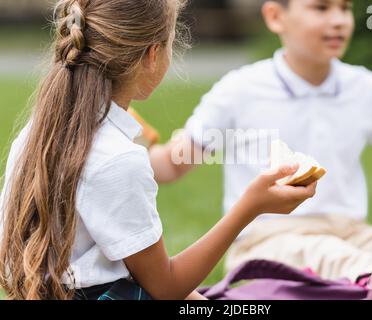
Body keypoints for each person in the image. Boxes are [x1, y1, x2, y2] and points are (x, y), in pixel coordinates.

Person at [0, 0, 317, 300]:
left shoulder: (37, 133)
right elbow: (166, 286)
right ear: (153, 55)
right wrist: (249, 207)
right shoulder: (119, 159)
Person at [149, 0, 372, 294]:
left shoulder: (363, 87)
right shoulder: (239, 89)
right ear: (275, 16)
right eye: (321, 8)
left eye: (344, 8)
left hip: (354, 234)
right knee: (340, 258)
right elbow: (174, 163)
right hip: (267, 242)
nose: (339, 20)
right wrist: (126, 149)